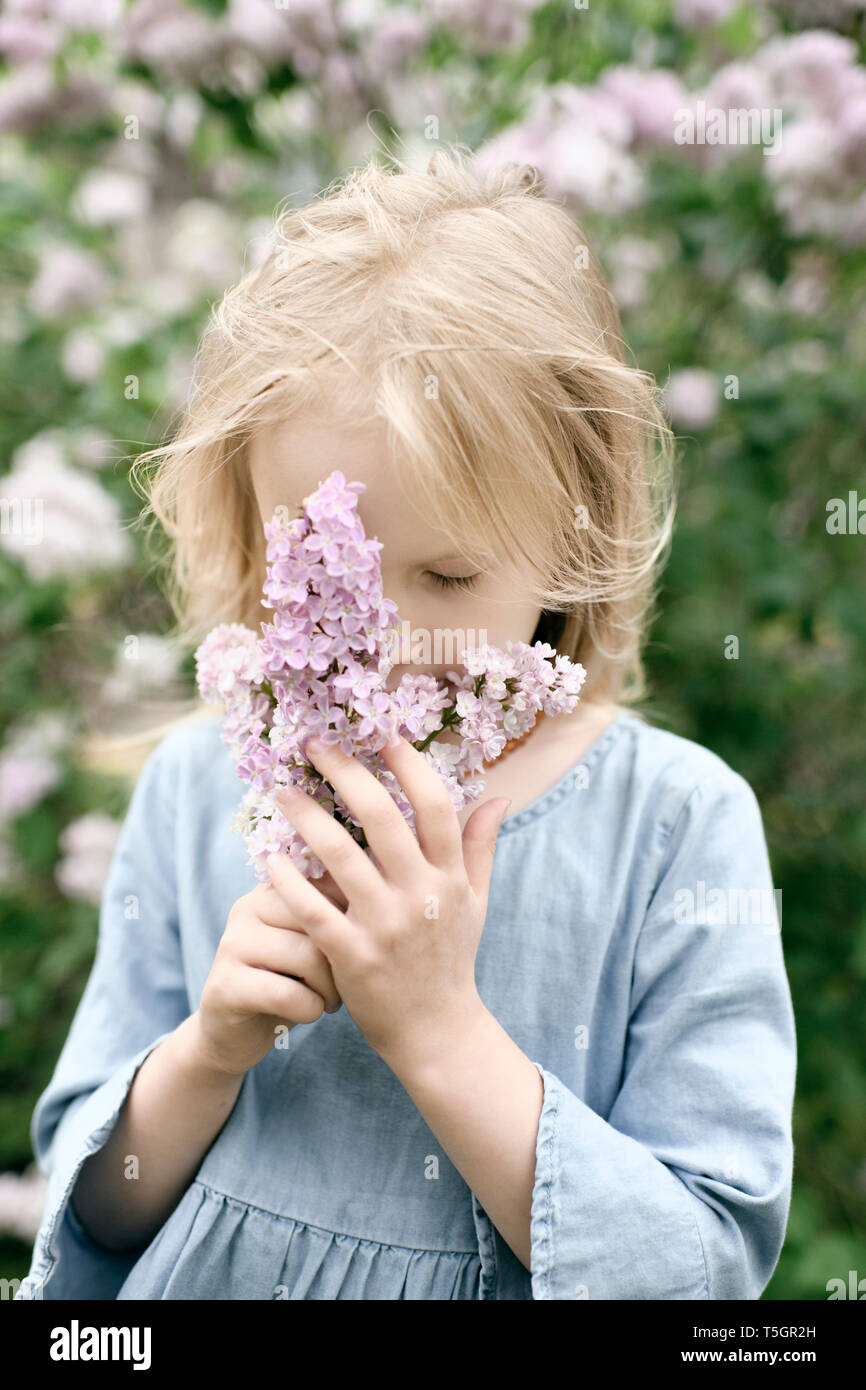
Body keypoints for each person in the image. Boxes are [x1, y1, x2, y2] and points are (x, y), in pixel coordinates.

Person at [16, 147, 796, 1301]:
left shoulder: (675, 827)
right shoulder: (195, 785)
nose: (383, 645)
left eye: (443, 576)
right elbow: (93, 1202)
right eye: (321, 569)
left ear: (573, 541)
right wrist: (206, 1052)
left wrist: (439, 1032)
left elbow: (701, 1267)